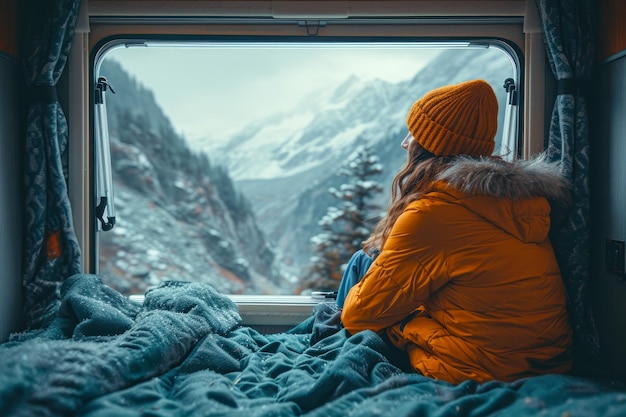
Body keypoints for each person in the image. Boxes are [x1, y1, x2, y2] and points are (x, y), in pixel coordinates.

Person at [339, 79, 573, 384]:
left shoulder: (432, 216)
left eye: (414, 134)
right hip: (543, 360)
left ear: (429, 147)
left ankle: (329, 347)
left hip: (476, 370)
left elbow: (358, 317)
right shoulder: (518, 202)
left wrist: (408, 323)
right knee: (368, 260)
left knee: (359, 271)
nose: (404, 142)